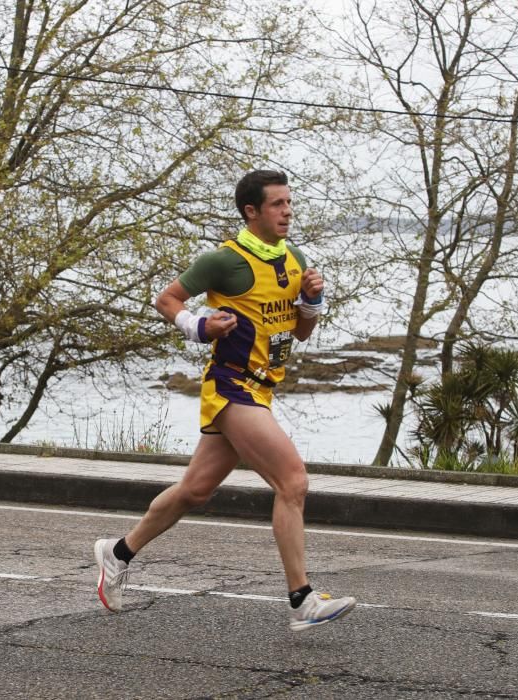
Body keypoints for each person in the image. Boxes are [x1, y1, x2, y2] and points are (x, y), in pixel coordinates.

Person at [93, 170, 356, 632]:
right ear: (251, 211)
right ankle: (301, 598)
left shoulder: (294, 258)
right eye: (277, 204)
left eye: (289, 203)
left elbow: (300, 331)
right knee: (293, 482)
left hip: (261, 389)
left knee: (196, 490)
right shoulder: (224, 262)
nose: (287, 211)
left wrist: (313, 300)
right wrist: (199, 326)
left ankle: (117, 553)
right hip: (231, 387)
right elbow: (167, 299)